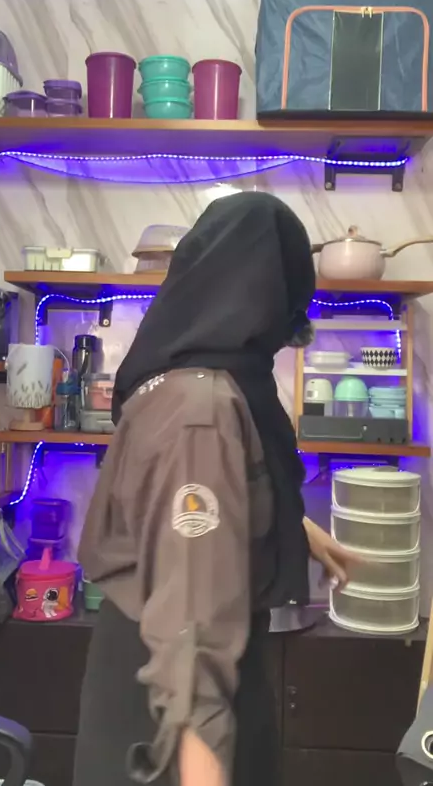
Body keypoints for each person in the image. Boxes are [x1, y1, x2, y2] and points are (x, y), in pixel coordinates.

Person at [74, 191, 358, 786]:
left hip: (151, 667)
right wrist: (201, 760)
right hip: (174, 704)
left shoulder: (176, 377)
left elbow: (189, 502)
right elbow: (193, 618)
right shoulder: (201, 410)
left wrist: (298, 529)